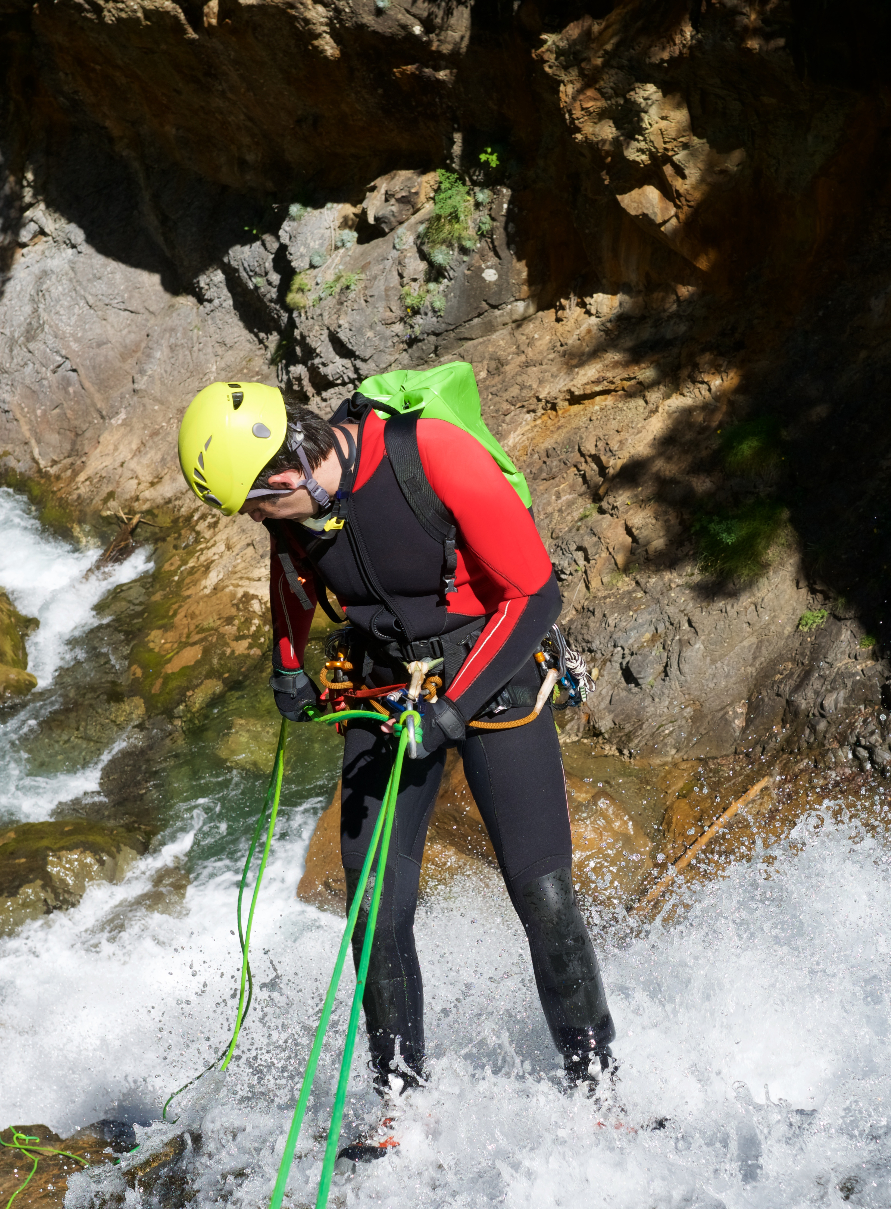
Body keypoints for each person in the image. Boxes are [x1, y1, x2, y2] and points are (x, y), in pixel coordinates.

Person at [175, 379, 617, 1102]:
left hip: (491, 671)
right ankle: (402, 1109)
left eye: (261, 502)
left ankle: (599, 1093)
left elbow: (535, 593)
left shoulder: (433, 456)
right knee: (373, 903)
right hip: (383, 686)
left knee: (543, 893)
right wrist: (287, 661)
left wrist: (455, 708)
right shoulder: (290, 510)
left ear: (286, 470)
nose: (260, 518)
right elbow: (290, 568)